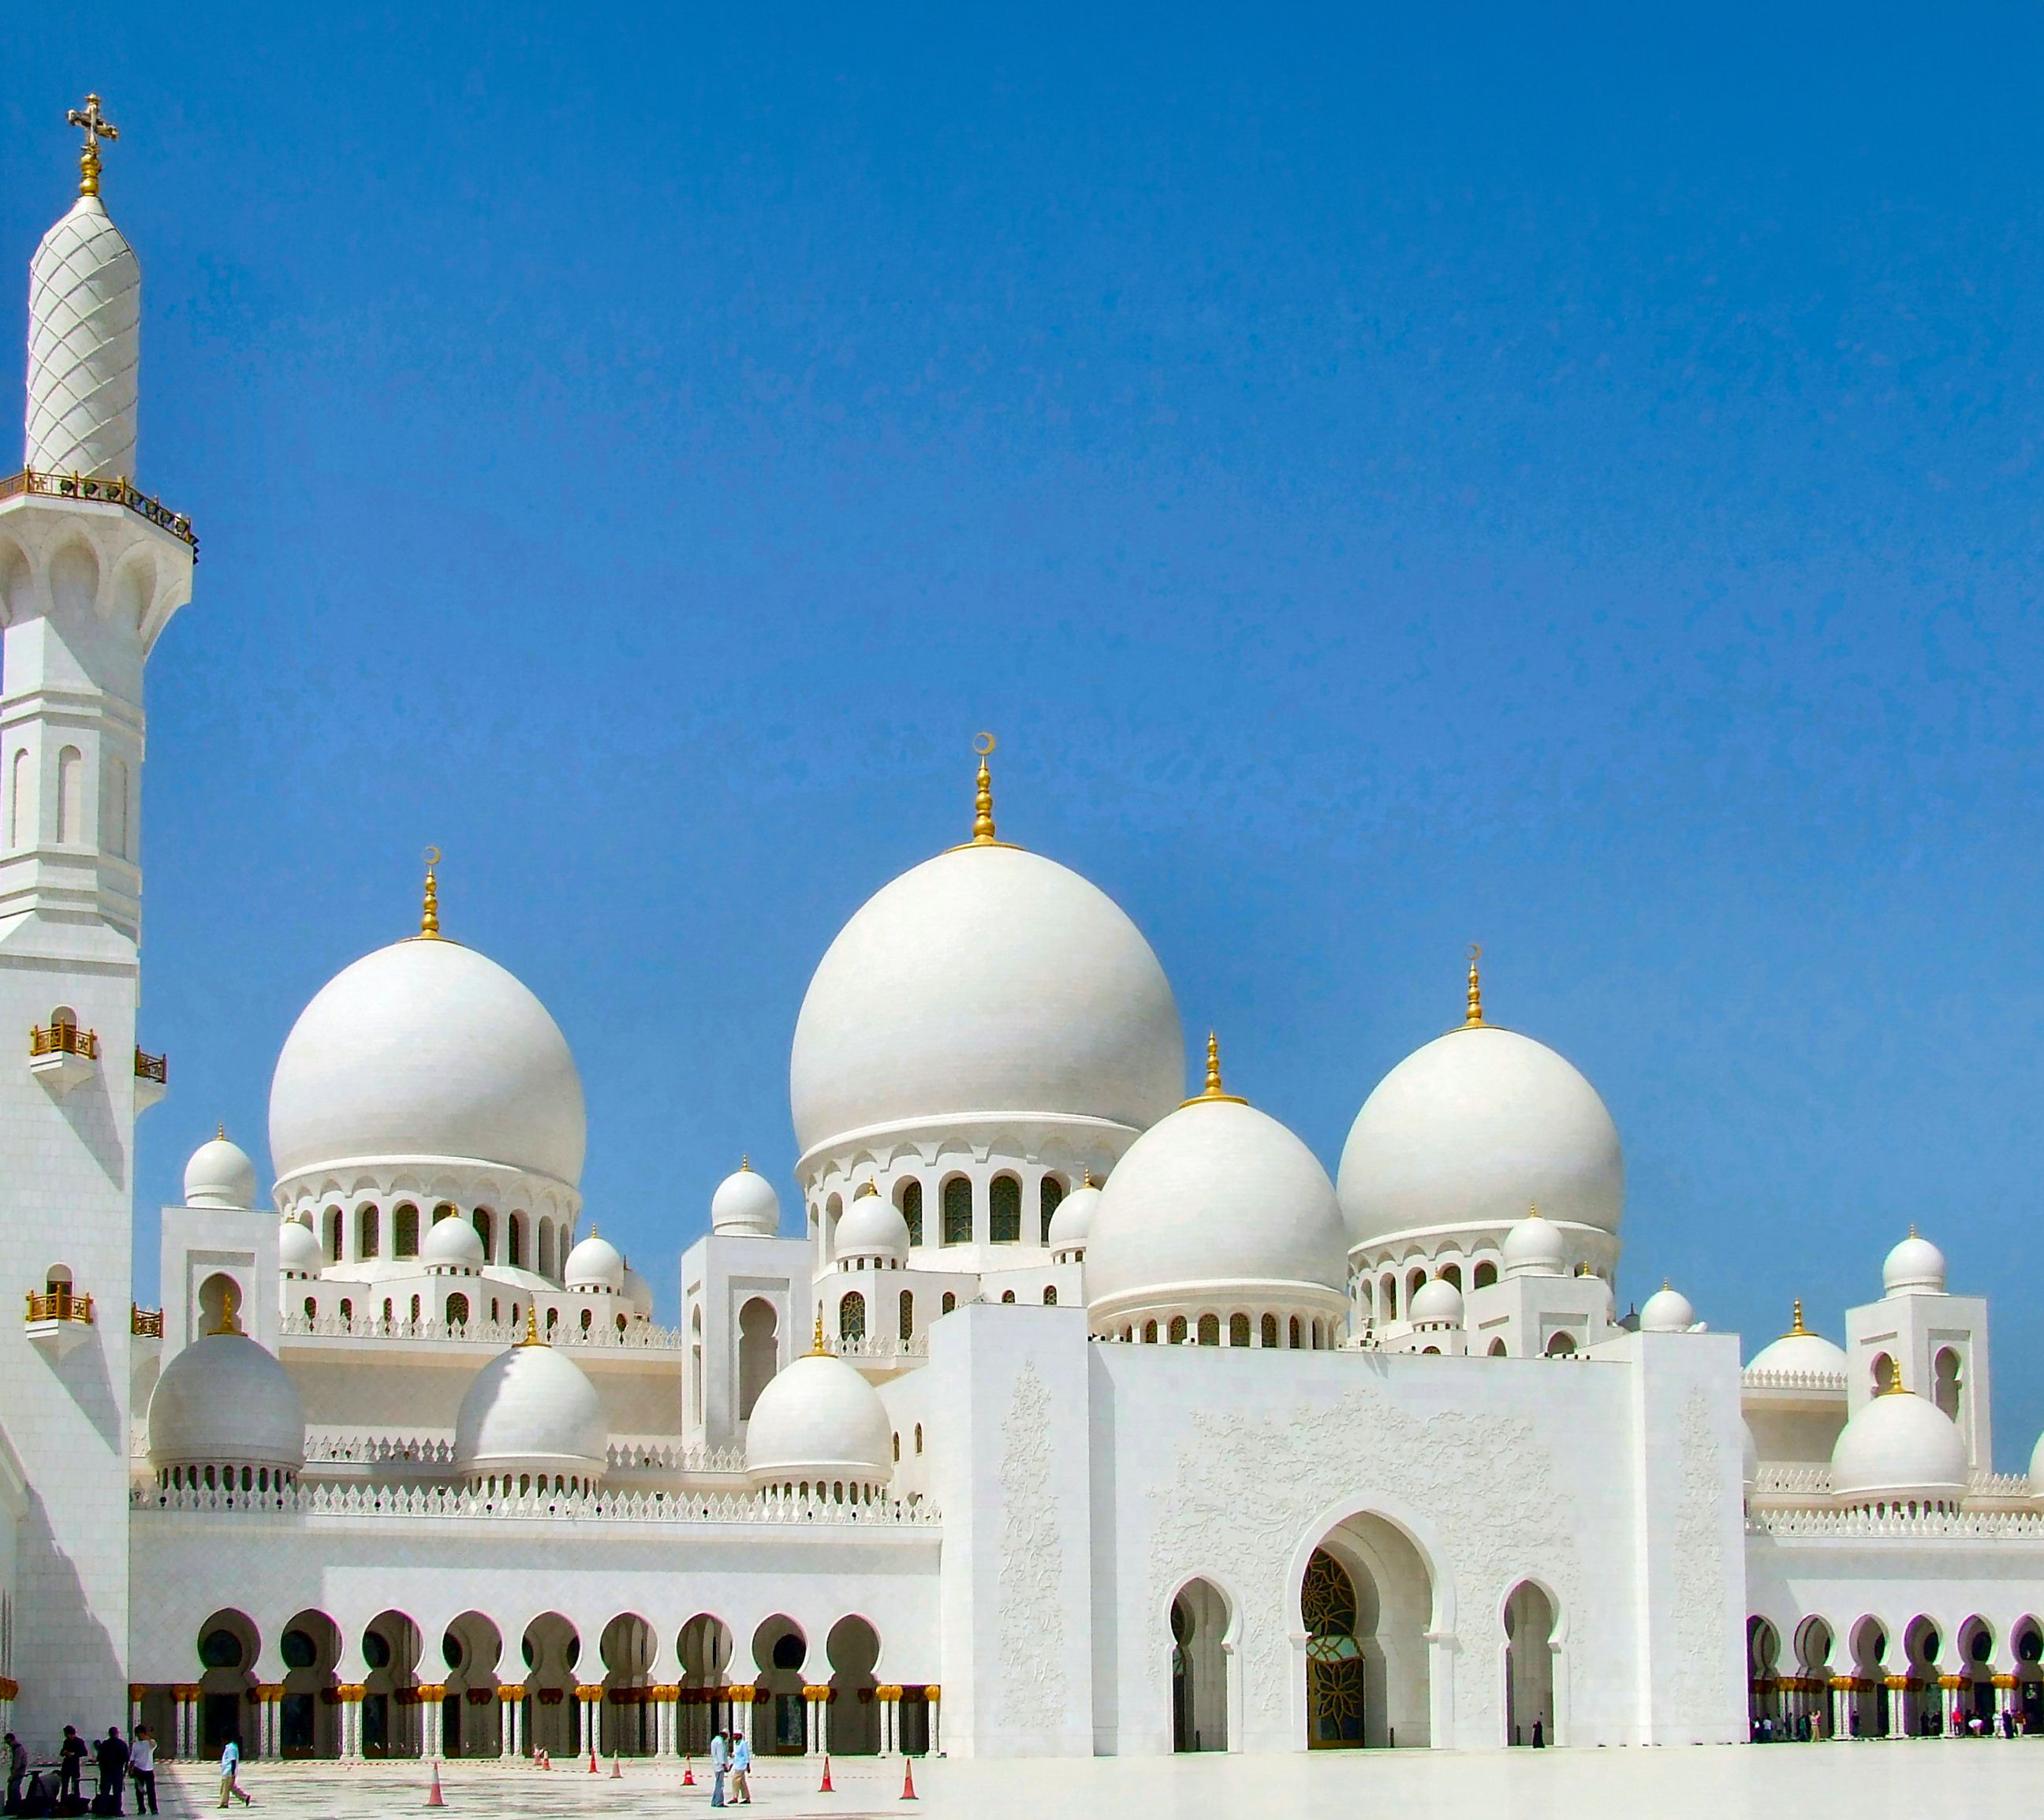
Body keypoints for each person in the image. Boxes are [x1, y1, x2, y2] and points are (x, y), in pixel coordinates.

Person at [92, 1731, 128, 1816]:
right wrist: (124, 1772)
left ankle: (102, 1811)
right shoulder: (122, 1744)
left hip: (106, 1772)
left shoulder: (104, 1744)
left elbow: (99, 1758)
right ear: (117, 1734)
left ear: (109, 1734)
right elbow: (126, 1759)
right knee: (117, 1792)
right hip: (117, 1771)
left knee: (104, 1792)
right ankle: (118, 1811)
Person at [126, 1729, 155, 1818]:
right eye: (137, 1734)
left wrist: (148, 1738)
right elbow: (133, 1758)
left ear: (144, 1733)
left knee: (151, 1791)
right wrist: (130, 1769)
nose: (139, 1735)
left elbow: (154, 1744)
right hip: (138, 1770)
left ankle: (153, 1808)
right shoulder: (136, 1745)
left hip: (149, 1770)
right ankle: (141, 1808)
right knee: (139, 1791)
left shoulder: (149, 1744)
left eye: (140, 1733)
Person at [217, 1736, 250, 1809]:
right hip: (227, 1770)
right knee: (231, 1787)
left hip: (228, 1771)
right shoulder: (230, 1747)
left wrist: (232, 1773)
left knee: (225, 1788)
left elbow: (233, 1760)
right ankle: (245, 1797)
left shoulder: (231, 1748)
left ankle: (224, 1803)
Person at [58, 1729, 86, 1807]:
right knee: (64, 1785)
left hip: (74, 1765)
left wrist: (74, 1754)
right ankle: (63, 1802)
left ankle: (76, 1800)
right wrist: (65, 1752)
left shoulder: (79, 1742)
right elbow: (61, 1752)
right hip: (66, 1765)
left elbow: (84, 1752)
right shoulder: (66, 1742)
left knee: (76, 1784)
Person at [707, 1729, 729, 1810]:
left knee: (717, 1784)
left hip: (716, 1765)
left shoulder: (714, 1741)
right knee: (720, 1785)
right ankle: (719, 1802)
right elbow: (720, 1754)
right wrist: (724, 1765)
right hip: (720, 1766)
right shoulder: (720, 1742)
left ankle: (714, 1801)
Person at [729, 1729, 752, 1804]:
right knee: (742, 1783)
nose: (734, 1736)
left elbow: (746, 1755)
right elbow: (735, 1755)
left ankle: (735, 1797)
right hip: (737, 1764)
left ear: (739, 1736)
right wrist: (731, 1764)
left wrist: (748, 1765)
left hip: (741, 1766)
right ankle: (747, 1798)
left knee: (735, 1781)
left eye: (735, 1735)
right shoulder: (736, 1744)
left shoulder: (743, 1744)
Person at [5, 1732, 24, 1815]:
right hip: (17, 1771)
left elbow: (17, 1765)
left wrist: (12, 1776)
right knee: (12, 1788)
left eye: (9, 1743)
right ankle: (14, 1807)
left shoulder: (18, 1749)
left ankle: (16, 1807)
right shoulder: (16, 1748)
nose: (9, 1745)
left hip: (19, 1772)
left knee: (14, 1789)